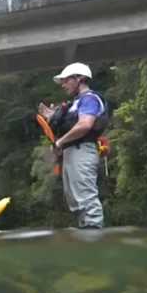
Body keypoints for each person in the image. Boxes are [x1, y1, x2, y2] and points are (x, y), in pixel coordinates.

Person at [38, 62, 108, 229]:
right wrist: (51, 116)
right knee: (75, 201)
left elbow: (85, 125)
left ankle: (93, 237)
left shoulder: (89, 98)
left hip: (82, 151)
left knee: (86, 200)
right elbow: (67, 123)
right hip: (71, 153)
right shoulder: (74, 104)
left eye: (66, 80)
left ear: (80, 78)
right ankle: (86, 237)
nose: (63, 85)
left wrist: (60, 142)